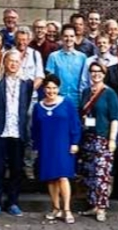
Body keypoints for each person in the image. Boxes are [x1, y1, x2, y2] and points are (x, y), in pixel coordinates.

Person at [0, 49, 33, 217]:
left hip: (17, 131)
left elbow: (26, 104)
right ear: (4, 62)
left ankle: (13, 202)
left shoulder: (27, 82)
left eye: (16, 61)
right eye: (10, 60)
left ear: (21, 63)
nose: (13, 64)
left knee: (16, 169)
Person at [32, 74, 81, 224]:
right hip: (46, 146)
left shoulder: (67, 103)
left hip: (64, 145)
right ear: (44, 89)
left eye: (54, 88)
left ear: (58, 88)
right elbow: (35, 129)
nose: (51, 91)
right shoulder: (38, 107)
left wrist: (75, 142)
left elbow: (75, 123)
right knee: (51, 178)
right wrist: (36, 147)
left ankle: (67, 209)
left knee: (63, 177)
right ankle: (55, 208)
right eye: (48, 88)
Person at [80, 60, 118, 222]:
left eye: (99, 71)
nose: (96, 74)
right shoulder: (86, 92)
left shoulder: (109, 93)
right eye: (93, 71)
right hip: (88, 138)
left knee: (102, 174)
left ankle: (102, 207)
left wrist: (112, 139)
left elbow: (115, 118)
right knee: (90, 174)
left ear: (104, 74)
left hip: (103, 138)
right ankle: (94, 206)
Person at [46, 25, 88, 110]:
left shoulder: (82, 57)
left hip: (77, 100)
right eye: (66, 36)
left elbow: (84, 80)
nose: (69, 39)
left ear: (75, 38)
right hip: (57, 100)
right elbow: (50, 80)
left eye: (71, 36)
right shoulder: (53, 57)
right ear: (61, 38)